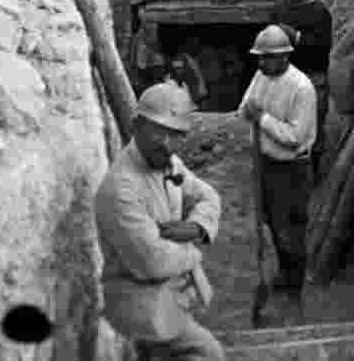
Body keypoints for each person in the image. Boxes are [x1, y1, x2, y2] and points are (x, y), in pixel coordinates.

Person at [95, 83, 224, 361]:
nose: (167, 143)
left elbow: (209, 197)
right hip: (140, 305)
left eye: (175, 134)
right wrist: (193, 251)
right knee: (209, 354)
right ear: (136, 126)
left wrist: (196, 227)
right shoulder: (121, 188)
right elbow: (152, 261)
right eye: (158, 131)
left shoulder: (167, 163)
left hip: (170, 296)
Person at [237, 25, 316, 307]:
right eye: (259, 57)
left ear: (284, 56)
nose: (260, 63)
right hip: (266, 164)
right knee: (271, 222)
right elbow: (244, 108)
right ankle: (284, 272)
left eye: (267, 58)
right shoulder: (261, 75)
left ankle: (294, 286)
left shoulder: (302, 88)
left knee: (291, 229)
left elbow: (294, 138)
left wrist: (262, 119)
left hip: (291, 171)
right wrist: (253, 114)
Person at [269, 0, 333, 178]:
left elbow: (323, 46)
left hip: (313, 78)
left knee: (312, 129)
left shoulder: (319, 11)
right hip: (285, 78)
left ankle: (312, 175)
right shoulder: (279, 8)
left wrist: (296, 37)